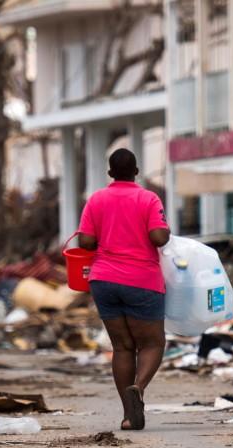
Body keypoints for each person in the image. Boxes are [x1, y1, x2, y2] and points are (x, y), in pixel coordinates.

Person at [77, 148, 171, 431]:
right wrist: (163, 230)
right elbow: (158, 237)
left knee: (122, 346)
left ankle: (129, 415)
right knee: (153, 343)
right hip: (141, 280)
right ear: (137, 172)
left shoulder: (96, 199)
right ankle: (138, 389)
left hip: (103, 280)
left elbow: (85, 241)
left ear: (110, 173)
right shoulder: (148, 198)